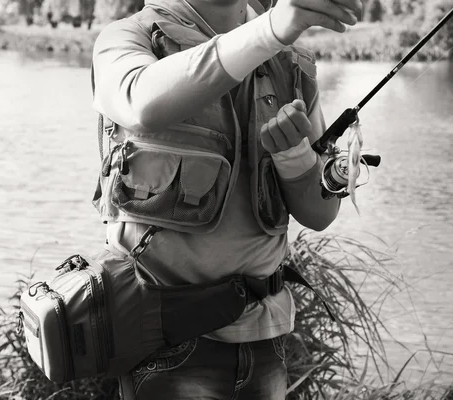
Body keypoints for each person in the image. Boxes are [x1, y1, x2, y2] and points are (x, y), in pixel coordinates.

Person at [91, 0, 362, 398]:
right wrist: (270, 30)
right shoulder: (128, 38)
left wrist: (294, 156)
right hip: (164, 340)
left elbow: (320, 213)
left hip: (264, 340)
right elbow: (140, 102)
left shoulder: (292, 63)